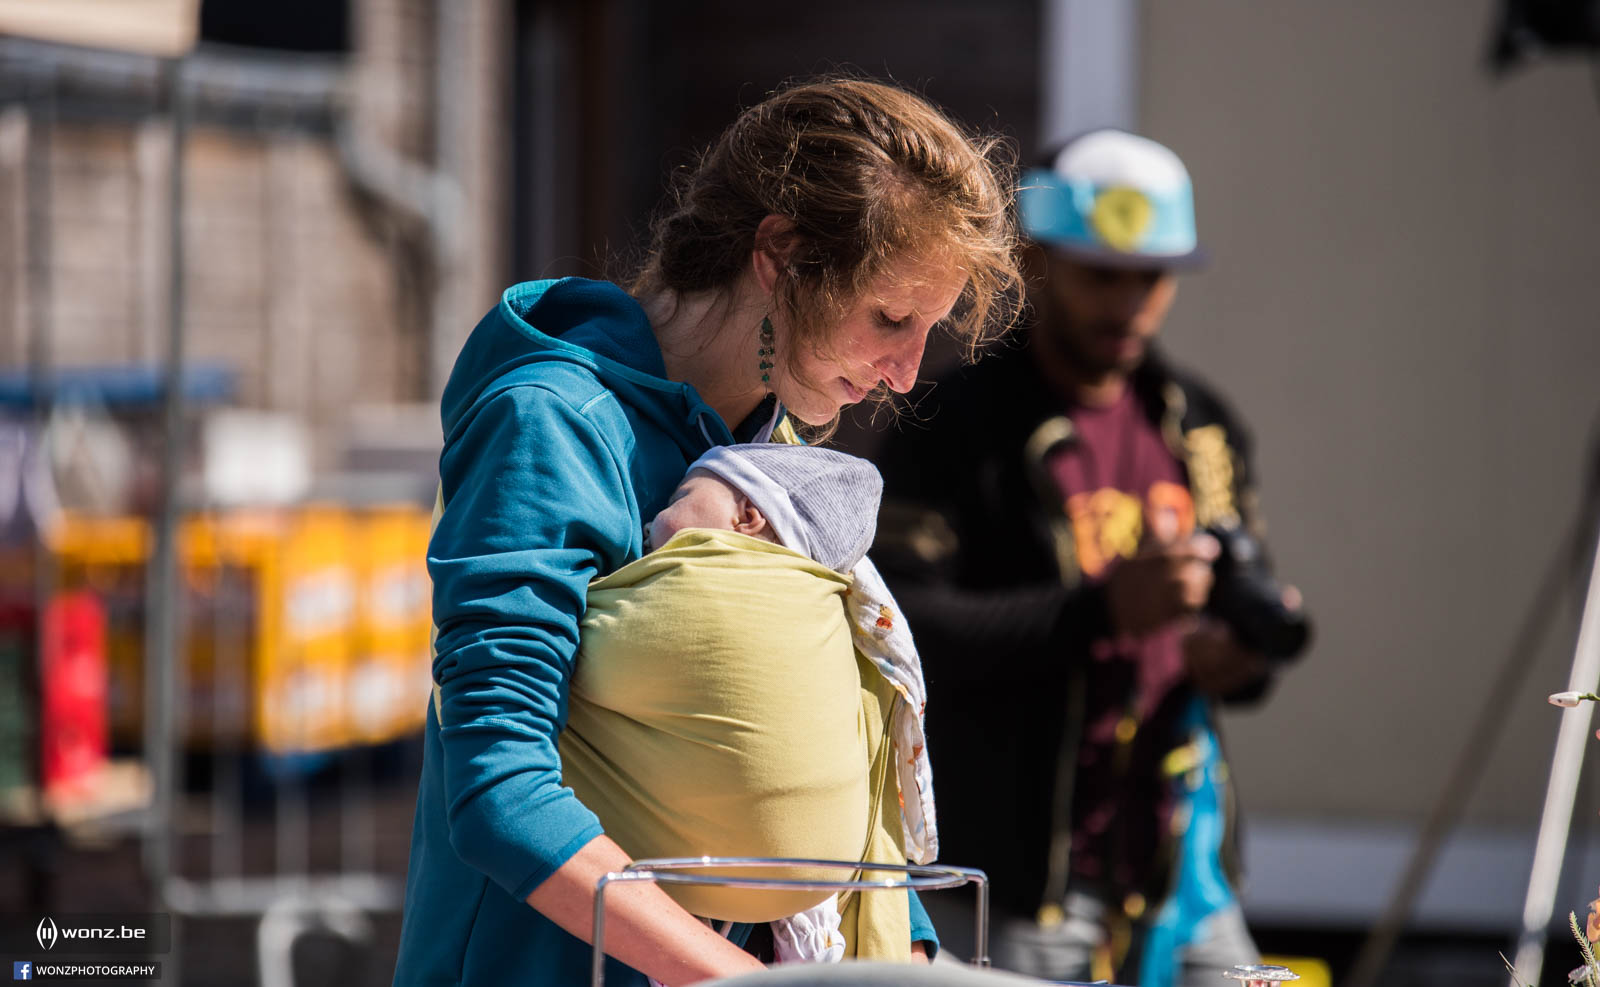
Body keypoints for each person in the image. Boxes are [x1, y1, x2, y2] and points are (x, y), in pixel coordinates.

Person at [391, 77, 1021, 987]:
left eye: (928, 330)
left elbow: (827, 756)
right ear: (781, 253)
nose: (906, 372)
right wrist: (743, 979)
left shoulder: (776, 447)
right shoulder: (550, 421)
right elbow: (497, 789)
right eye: (890, 318)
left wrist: (911, 959)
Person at [870, 129, 1308, 986]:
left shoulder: (1201, 423)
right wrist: (1100, 611)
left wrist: (1239, 660)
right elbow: (897, 628)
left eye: (1152, 277)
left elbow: (1236, 619)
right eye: (1103, 273)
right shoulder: (955, 424)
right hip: (1012, 874)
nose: (1131, 303)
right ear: (1036, 262)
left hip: (1182, 863)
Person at [561, 443, 937, 964]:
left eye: (680, 497)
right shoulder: (831, 628)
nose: (653, 521)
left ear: (748, 516)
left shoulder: (705, 590)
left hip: (657, 915)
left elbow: (587, 653)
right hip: (812, 899)